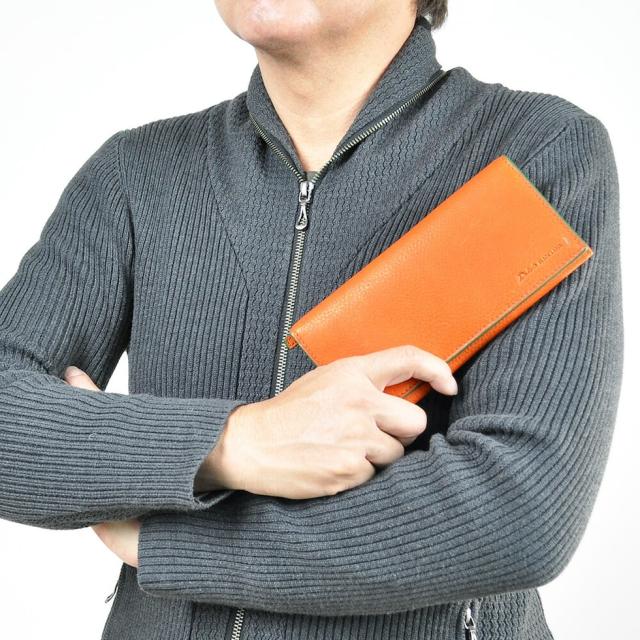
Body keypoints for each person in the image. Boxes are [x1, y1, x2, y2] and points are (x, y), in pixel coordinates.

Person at [0, 1, 623, 639]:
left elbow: (521, 510)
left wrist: (173, 544)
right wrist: (238, 443)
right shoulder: (137, 174)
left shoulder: (536, 151)